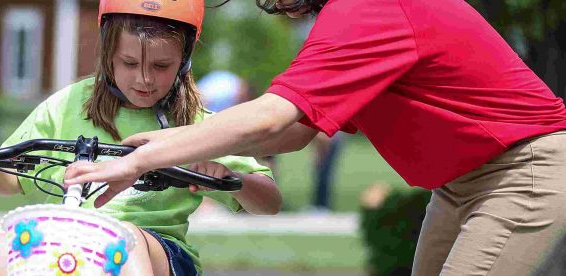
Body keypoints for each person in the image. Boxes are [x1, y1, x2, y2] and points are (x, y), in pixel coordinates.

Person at [63, 0, 566, 275]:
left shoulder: (371, 9)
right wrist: (205, 162)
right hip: (459, 187)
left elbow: (271, 119)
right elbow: (297, 132)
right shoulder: (347, 19)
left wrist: (140, 159)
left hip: (520, 173)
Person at [0, 0, 281, 275]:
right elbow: (11, 182)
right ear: (108, 51)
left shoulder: (197, 123)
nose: (144, 78)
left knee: (122, 241)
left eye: (161, 65)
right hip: (67, 239)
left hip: (158, 251)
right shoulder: (67, 104)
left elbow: (269, 202)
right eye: (129, 63)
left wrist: (231, 178)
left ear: (184, 59)